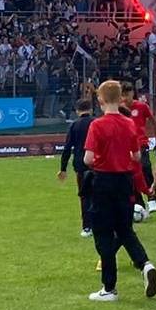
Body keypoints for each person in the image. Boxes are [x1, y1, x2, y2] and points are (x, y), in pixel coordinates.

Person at [84, 81, 156, 302]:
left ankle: (109, 288)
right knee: (125, 229)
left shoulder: (97, 125)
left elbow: (87, 158)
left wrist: (103, 158)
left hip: (103, 181)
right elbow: (136, 156)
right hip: (124, 181)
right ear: (121, 99)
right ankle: (145, 264)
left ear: (100, 100)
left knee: (104, 234)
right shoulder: (129, 123)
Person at [59, 98, 96, 237]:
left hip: (81, 165)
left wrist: (63, 168)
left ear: (76, 110)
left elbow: (67, 148)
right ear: (91, 109)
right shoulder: (96, 123)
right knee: (99, 194)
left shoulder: (74, 126)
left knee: (84, 195)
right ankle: (102, 224)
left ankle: (87, 227)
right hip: (98, 164)